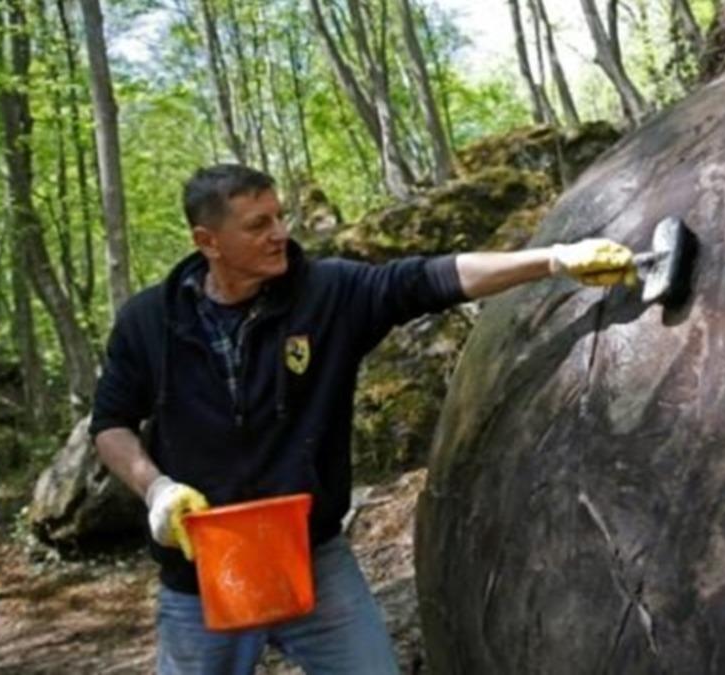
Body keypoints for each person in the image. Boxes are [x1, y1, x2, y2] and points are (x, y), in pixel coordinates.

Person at [90, 164, 636, 674]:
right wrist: (155, 488)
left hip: (313, 558)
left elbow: (431, 278)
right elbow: (110, 424)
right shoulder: (149, 322)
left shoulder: (326, 292)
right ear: (208, 242)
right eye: (259, 225)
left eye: (280, 216)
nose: (280, 232)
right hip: (202, 578)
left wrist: (553, 260)